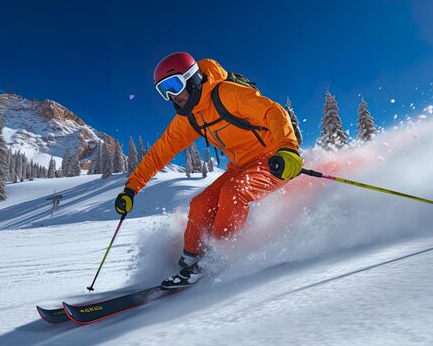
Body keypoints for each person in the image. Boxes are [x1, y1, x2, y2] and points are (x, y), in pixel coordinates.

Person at [115, 52, 303, 289]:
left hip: (273, 161)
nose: (172, 96)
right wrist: (131, 188)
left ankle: (218, 261)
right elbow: (158, 154)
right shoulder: (190, 118)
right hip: (240, 167)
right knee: (200, 204)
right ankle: (191, 262)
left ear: (192, 79)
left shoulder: (227, 94)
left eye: (174, 85)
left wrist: (287, 150)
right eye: (164, 91)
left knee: (234, 193)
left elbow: (273, 111)